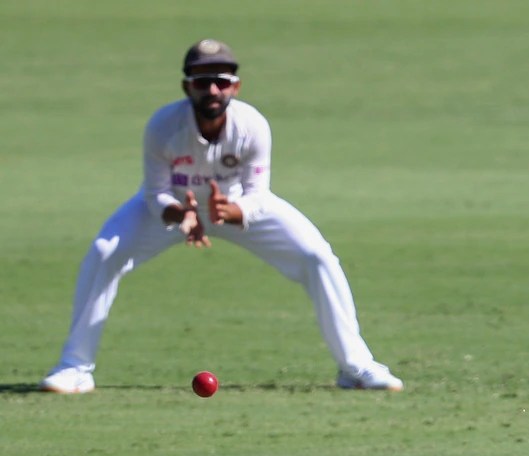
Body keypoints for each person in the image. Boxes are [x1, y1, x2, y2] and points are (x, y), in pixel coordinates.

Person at [39, 39, 403, 394]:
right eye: (201, 81)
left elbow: (258, 193)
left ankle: (355, 366)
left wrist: (234, 211)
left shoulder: (252, 126)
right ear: (187, 87)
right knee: (105, 251)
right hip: (174, 210)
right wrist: (180, 213)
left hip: (237, 206)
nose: (212, 89)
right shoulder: (163, 126)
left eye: (222, 81)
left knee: (317, 256)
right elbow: (154, 193)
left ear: (236, 86)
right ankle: (74, 367)